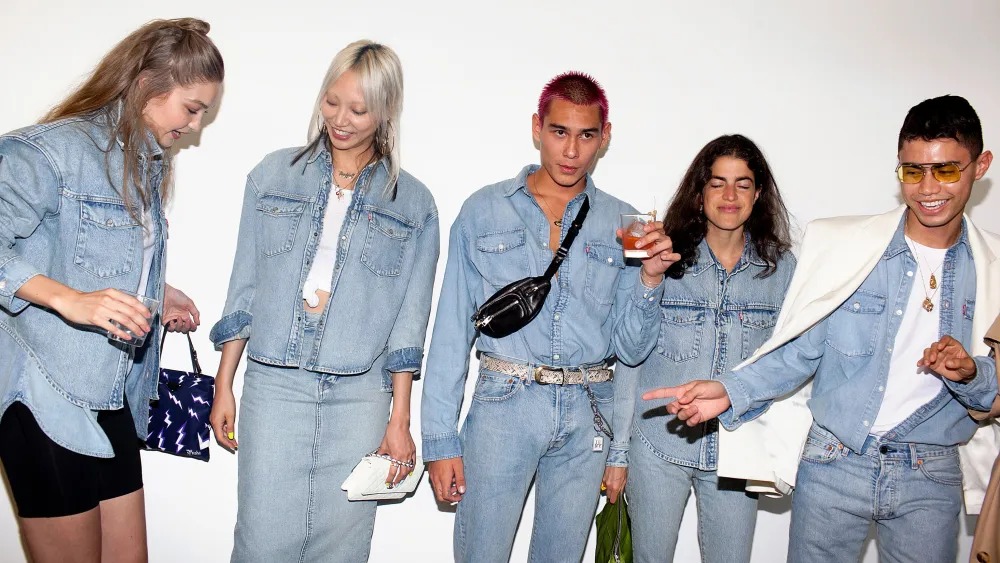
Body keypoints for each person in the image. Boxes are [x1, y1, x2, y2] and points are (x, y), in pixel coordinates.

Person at [644, 95, 1000, 562]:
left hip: (930, 475)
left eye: (946, 170)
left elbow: (993, 395)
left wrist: (972, 372)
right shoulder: (845, 247)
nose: (928, 187)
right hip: (834, 463)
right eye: (913, 171)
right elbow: (799, 351)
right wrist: (730, 389)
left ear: (980, 166)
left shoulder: (994, 268)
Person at [420, 71, 679, 563]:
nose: (571, 150)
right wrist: (439, 439)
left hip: (589, 410)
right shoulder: (483, 210)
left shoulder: (626, 224)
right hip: (504, 403)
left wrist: (650, 280)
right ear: (537, 128)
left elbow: (632, 351)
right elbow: (451, 331)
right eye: (560, 131)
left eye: (586, 135)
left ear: (605, 137)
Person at [0, 18, 222, 562]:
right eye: (192, 109)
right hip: (42, 392)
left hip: (110, 390)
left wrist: (157, 289)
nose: (195, 125)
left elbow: (88, 251)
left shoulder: (141, 164)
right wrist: (71, 300)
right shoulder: (48, 152)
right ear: (147, 85)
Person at [208, 40, 438, 562]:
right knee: (261, 542)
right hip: (275, 383)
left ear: (385, 112)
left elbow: (410, 323)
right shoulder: (273, 176)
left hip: (361, 393)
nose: (340, 119)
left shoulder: (414, 204)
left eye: (358, 109)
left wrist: (399, 420)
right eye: (332, 102)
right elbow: (244, 286)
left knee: (343, 546)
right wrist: (224, 383)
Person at [603, 134, 795, 562]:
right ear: (700, 192)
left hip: (738, 450)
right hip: (658, 445)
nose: (729, 196)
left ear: (758, 194)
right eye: (717, 183)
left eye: (742, 184)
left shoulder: (780, 270)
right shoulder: (663, 256)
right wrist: (650, 279)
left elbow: (788, 362)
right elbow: (629, 354)